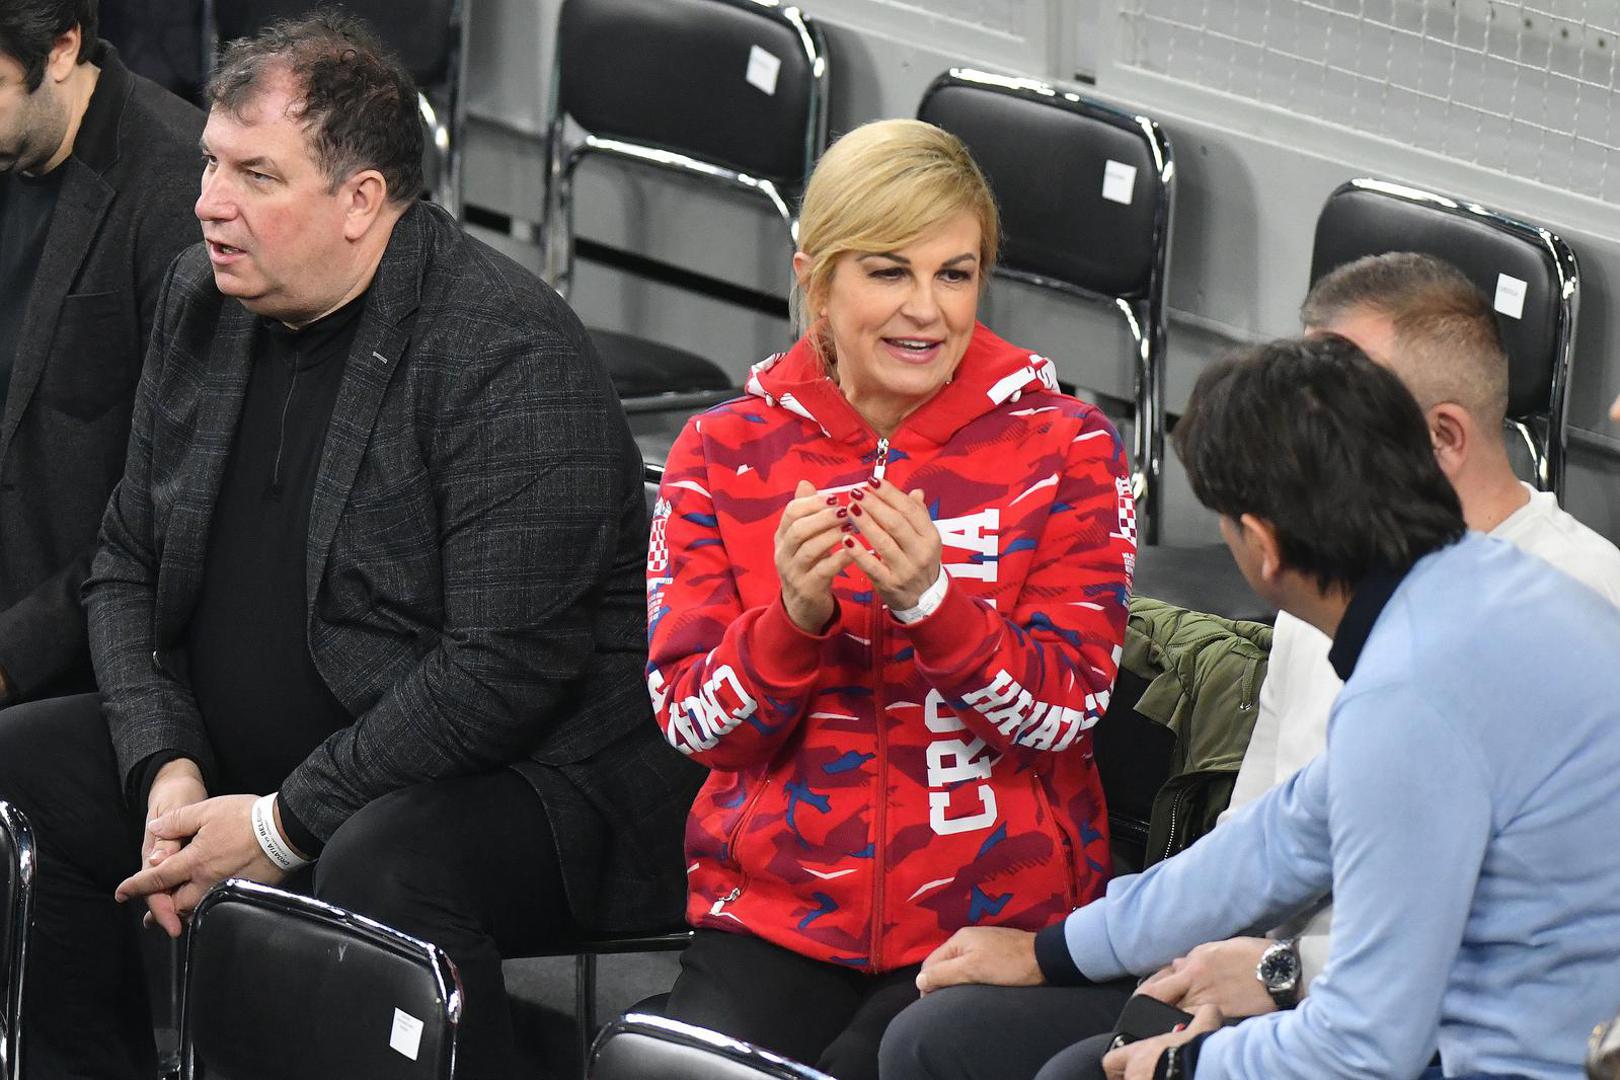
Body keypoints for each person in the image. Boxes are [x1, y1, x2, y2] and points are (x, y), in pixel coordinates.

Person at [0, 12, 696, 1079]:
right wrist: (165, 763)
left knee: (383, 861)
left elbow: (500, 674)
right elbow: (127, 557)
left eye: (255, 175)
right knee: (27, 768)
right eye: (210, 166)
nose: (208, 204)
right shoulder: (203, 298)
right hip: (253, 749)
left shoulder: (504, 353)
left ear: (362, 201)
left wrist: (282, 823)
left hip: (526, 786)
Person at [883, 252, 1620, 1080]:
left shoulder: (1417, 688)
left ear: (1260, 550)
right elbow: (1278, 841)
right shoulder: (1469, 590)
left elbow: (1366, 1046)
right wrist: (1054, 950)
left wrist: (1181, 1069)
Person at [643, 118, 1137, 1080]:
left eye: (955, 274)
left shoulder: (1069, 449)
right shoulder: (719, 452)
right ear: (816, 280)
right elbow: (694, 724)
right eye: (888, 271)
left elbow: (1067, 712)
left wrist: (935, 606)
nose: (927, 311)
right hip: (777, 913)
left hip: (992, 920)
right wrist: (790, 622)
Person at [0, 0, 200, 704]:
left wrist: (11, 655)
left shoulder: (179, 191)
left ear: (59, 50)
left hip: (74, 654)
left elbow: (166, 511)